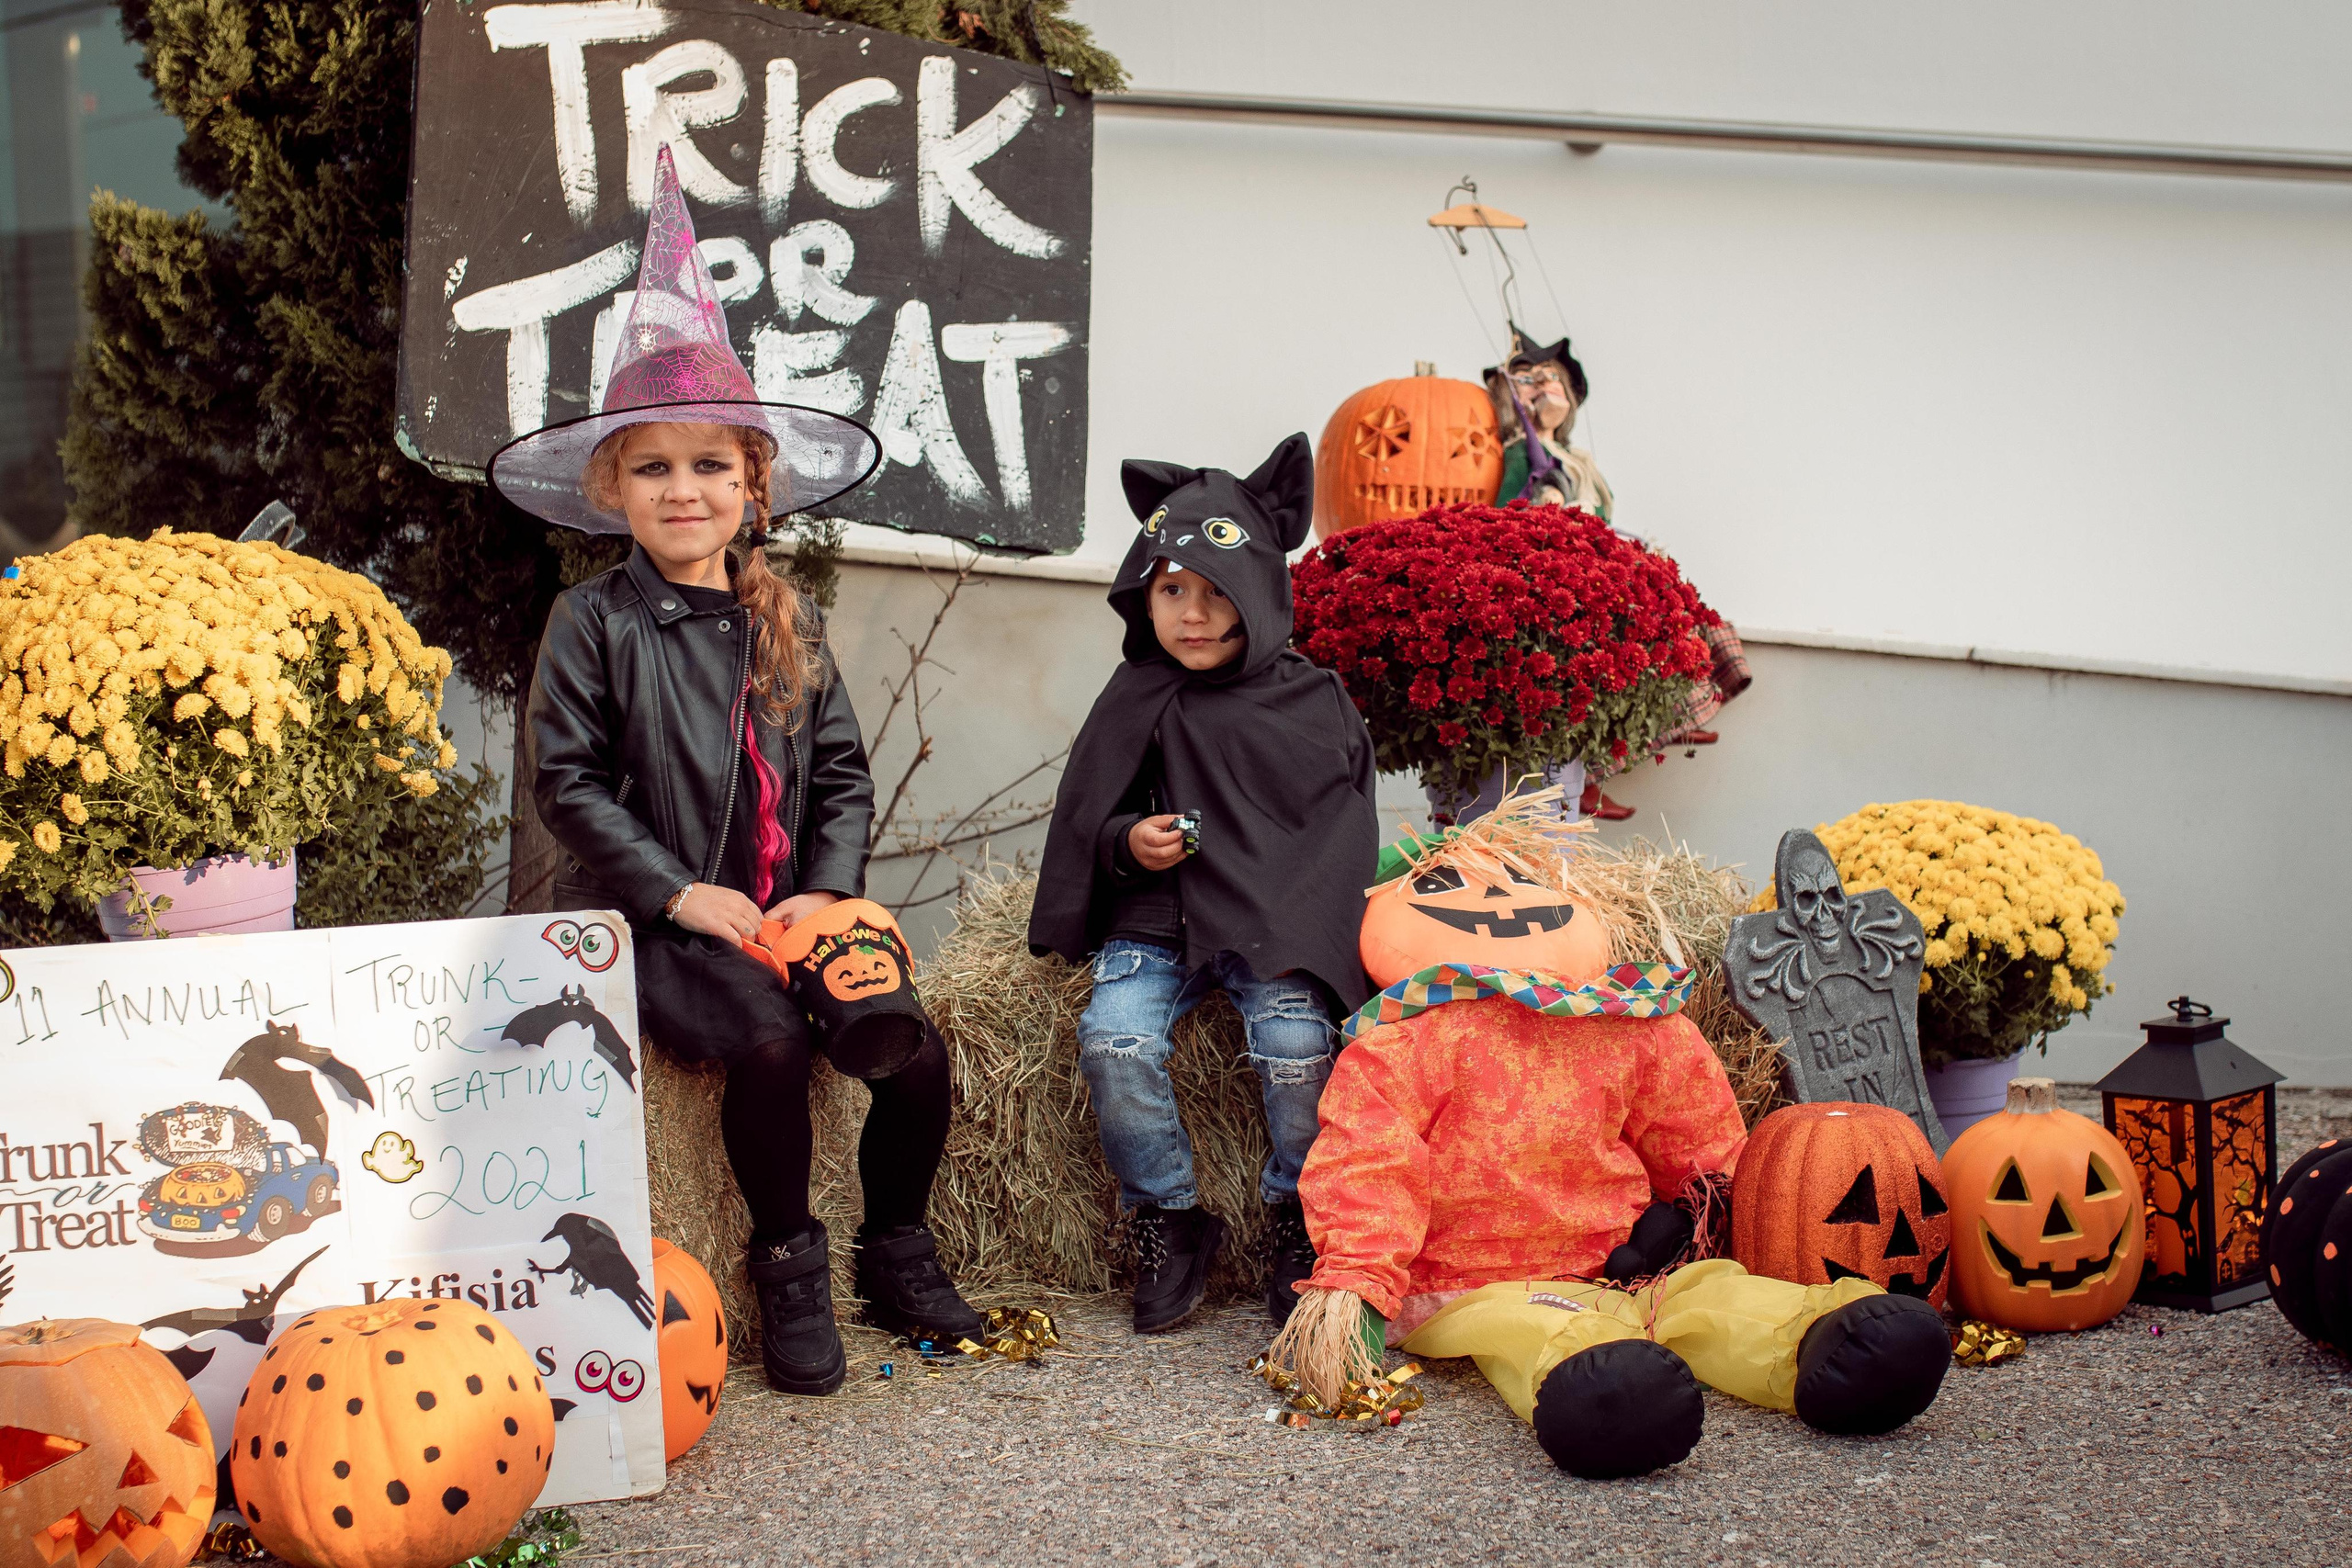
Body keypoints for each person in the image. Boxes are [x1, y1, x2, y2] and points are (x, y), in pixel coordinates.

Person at [496, 147, 980, 1399]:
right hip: (668, 922)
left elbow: (841, 775)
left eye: (711, 465)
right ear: (614, 488)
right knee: (767, 1042)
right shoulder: (593, 623)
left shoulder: (789, 614)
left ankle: (897, 1244)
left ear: (753, 486)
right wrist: (679, 894)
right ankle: (787, 1258)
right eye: (653, 467)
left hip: (791, 910)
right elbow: (571, 783)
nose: (685, 488)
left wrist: (825, 891)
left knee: (910, 1047)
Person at [1028, 434, 1380, 1334]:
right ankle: (1170, 1215)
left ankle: (1296, 1213)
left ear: (1259, 593)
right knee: (1113, 1039)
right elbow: (1087, 824)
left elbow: (1335, 834)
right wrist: (1126, 843)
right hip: (1154, 919)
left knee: (1296, 1044)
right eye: (1172, 589)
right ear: (1142, 591)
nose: (1191, 613)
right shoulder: (1135, 693)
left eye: (1217, 591)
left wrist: (1300, 921)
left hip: (1271, 917)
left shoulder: (1313, 702)